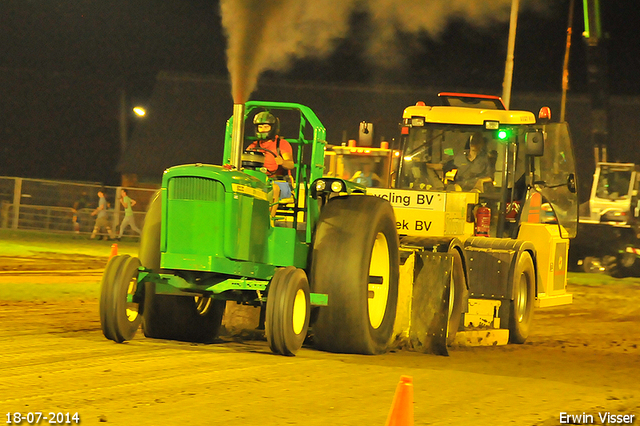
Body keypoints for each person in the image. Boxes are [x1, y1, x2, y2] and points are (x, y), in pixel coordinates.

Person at [246, 111, 294, 216]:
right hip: (260, 181)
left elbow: (291, 164)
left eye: (266, 127)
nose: (263, 130)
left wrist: (282, 162)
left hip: (281, 183)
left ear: (272, 128)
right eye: (260, 127)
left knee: (273, 189)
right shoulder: (253, 146)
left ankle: (269, 220)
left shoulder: (282, 144)